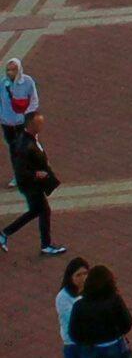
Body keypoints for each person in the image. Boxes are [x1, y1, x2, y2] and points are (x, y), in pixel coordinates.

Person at [3, 109, 64, 256]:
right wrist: (36, 174)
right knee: (43, 210)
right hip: (30, 185)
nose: (41, 127)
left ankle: (5, 233)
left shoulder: (30, 139)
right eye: (39, 124)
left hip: (31, 184)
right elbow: (20, 170)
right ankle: (46, 245)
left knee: (35, 211)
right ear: (30, 125)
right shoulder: (25, 144)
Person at [65, 265, 132, 358]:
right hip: (113, 345)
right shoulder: (115, 300)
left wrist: (86, 341)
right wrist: (117, 334)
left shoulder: (79, 305)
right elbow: (127, 323)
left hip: (91, 348)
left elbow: (74, 332)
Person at [54, 255, 89, 358]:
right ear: (70, 277)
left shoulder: (90, 290)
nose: (83, 278)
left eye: (85, 273)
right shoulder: (63, 297)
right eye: (78, 275)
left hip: (90, 342)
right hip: (74, 344)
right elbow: (73, 321)